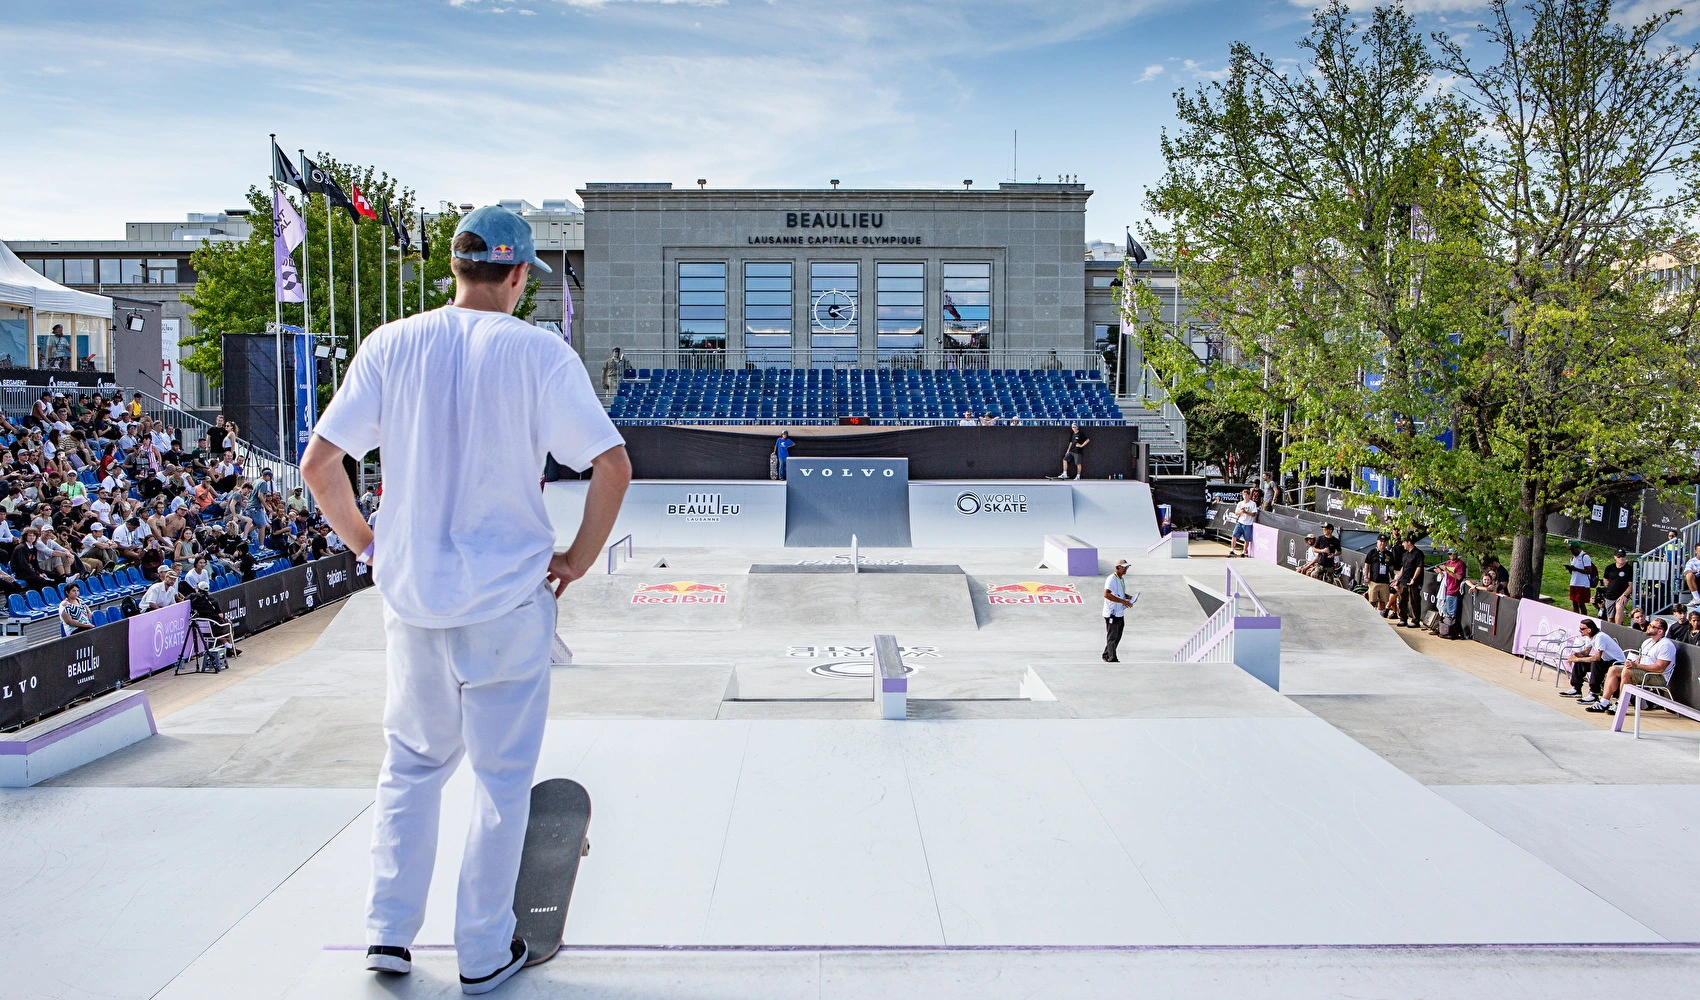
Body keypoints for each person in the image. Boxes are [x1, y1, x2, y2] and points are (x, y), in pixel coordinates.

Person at [300, 204, 630, 993]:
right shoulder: (537, 352)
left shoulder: (391, 343)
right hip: (508, 604)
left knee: (411, 768)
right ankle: (482, 952)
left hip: (414, 604)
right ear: (517, 276)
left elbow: (319, 465)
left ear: (456, 268)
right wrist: (577, 560)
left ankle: (387, 935)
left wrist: (370, 547)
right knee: (500, 780)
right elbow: (612, 466)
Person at [1591, 616, 1677, 714]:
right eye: (1649, 625)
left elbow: (1660, 668)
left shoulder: (1666, 645)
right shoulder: (1647, 642)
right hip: (1643, 671)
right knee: (1613, 669)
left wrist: (1636, 666)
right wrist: (1632, 663)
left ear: (1660, 631)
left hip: (1658, 676)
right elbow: (1640, 659)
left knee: (1627, 672)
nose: (1648, 627)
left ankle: (1621, 704)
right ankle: (1604, 702)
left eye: (1652, 626)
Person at [1561, 618, 1624, 705]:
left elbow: (1597, 658)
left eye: (1582, 629)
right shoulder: (1589, 637)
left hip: (1616, 663)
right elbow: (1586, 652)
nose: (1580, 630)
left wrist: (1577, 659)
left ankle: (1594, 694)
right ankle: (1576, 689)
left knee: (1596, 663)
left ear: (1589, 630)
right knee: (1581, 662)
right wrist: (1575, 655)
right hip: (1606, 661)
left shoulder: (1600, 637)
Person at [1101, 558, 1137, 662]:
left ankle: (1106, 654)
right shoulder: (1111, 579)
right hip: (1112, 613)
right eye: (1124, 567)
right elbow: (1107, 594)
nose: (1126, 569)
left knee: (1117, 636)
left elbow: (1119, 593)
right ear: (1118, 567)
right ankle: (1112, 657)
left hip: (1119, 612)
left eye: (1127, 567)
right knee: (1112, 636)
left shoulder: (1121, 579)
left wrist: (1128, 597)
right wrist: (1123, 601)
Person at [1393, 536, 1425, 628]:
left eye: (1404, 542)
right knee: (1402, 600)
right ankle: (1403, 618)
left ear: (1409, 542)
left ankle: (1415, 620)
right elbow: (1403, 568)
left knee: (1414, 601)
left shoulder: (1418, 553)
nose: (1403, 544)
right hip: (1404, 580)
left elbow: (1419, 567)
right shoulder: (1405, 554)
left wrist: (1414, 578)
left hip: (1413, 582)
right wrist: (1397, 579)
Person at [1363, 534, 1396, 617]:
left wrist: (1393, 579)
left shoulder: (1389, 554)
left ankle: (1380, 616)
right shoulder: (1372, 552)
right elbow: (1367, 565)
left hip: (1384, 581)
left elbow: (1391, 568)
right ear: (1377, 542)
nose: (1382, 543)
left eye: (1384, 542)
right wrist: (1366, 576)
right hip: (1374, 581)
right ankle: (1370, 616)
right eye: (1381, 541)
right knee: (1372, 600)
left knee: (1382, 601)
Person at [1597, 549, 1634, 624]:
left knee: (1619, 607)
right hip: (1610, 594)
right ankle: (1612, 628)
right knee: (1610, 618)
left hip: (1622, 594)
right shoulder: (1609, 568)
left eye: (1623, 556)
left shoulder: (1629, 569)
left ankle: (1618, 627)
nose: (1621, 558)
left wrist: (1624, 595)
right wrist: (1609, 587)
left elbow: (1631, 585)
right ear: (1615, 557)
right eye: (1619, 556)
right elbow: (1605, 579)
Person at [1435, 550, 1467, 630]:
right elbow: (1446, 576)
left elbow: (1459, 577)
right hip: (1447, 590)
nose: (1451, 555)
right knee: (1444, 611)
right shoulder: (1448, 563)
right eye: (1449, 554)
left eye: (1453, 554)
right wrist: (1440, 572)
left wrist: (1447, 570)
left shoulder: (1460, 564)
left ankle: (1449, 630)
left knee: (1451, 614)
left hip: (1454, 591)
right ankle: (1443, 629)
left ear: (1456, 554)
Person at [1563, 540, 1595, 613]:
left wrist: (1576, 569)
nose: (1572, 551)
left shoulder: (1585, 556)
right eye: (1570, 550)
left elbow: (1589, 571)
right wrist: (1570, 569)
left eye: (1573, 549)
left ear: (1577, 548)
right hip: (1573, 582)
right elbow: (1573, 572)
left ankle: (1584, 617)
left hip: (1582, 584)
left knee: (1581, 604)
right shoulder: (1572, 558)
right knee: (1574, 603)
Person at [1229, 489, 1258, 558]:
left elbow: (1253, 514)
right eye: (1244, 495)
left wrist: (1246, 512)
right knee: (1234, 535)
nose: (1245, 496)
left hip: (1248, 524)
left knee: (1247, 539)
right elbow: (1236, 513)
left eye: (1246, 495)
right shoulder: (1240, 503)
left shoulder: (1252, 504)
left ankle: (1244, 551)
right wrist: (1242, 512)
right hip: (1240, 522)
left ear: (1249, 495)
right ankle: (1232, 550)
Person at [1682, 543, 1700, 611]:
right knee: (1689, 575)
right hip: (1697, 580)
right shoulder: (1692, 561)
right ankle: (1697, 599)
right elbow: (1685, 573)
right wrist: (1697, 570)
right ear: (1696, 551)